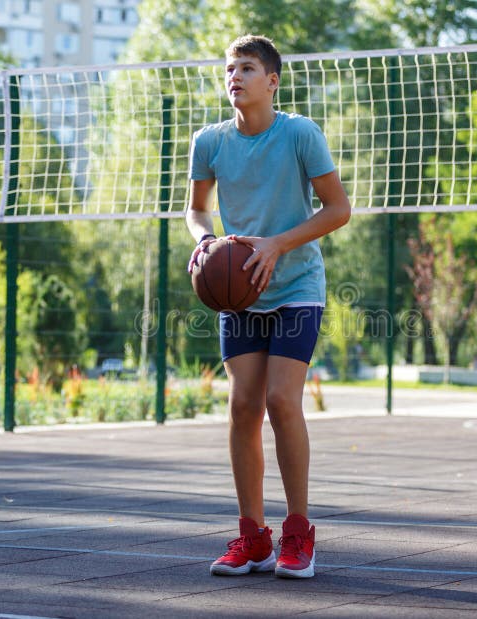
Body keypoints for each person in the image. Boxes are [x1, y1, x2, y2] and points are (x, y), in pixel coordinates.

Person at [186, 34, 350, 579]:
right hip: (242, 291)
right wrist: (206, 243)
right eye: (230, 68)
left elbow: (338, 209)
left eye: (247, 68)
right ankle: (252, 537)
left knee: (282, 402)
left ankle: (298, 533)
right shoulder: (209, 141)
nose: (235, 76)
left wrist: (279, 243)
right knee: (241, 409)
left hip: (297, 284)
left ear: (272, 80)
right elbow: (197, 212)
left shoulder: (299, 133)